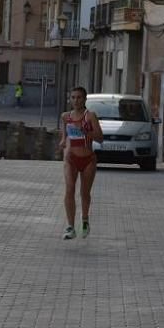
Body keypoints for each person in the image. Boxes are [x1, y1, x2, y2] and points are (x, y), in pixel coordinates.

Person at [58, 86, 103, 239]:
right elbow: (65, 135)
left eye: (79, 97)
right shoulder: (65, 116)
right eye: (73, 97)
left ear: (84, 99)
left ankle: (84, 220)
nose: (76, 100)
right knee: (69, 189)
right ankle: (70, 226)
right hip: (71, 158)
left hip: (88, 159)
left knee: (84, 193)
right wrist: (63, 141)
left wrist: (86, 132)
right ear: (70, 99)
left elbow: (100, 138)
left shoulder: (90, 116)